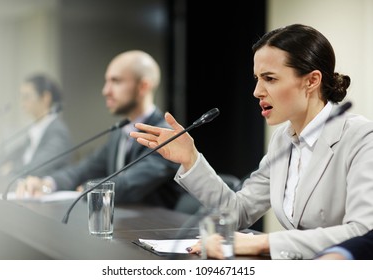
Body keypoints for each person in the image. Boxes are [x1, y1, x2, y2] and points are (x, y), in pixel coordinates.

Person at [130, 24, 373, 259]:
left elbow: (363, 231)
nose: (257, 91)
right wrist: (190, 158)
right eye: (257, 78)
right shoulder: (283, 140)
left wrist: (262, 243)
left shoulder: (361, 137)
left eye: (270, 78)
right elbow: (238, 212)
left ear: (311, 81)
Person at [16, 50, 182, 209]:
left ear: (144, 86)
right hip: (122, 228)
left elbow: (130, 184)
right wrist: (48, 183)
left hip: (157, 231)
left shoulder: (163, 135)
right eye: (106, 81)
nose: (105, 91)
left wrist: (90, 188)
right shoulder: (120, 132)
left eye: (116, 81)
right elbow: (84, 169)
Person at [0, 73, 72, 179]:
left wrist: (11, 169)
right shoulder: (34, 129)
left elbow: (38, 167)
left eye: (26, 97)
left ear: (45, 98)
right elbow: (16, 156)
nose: (22, 103)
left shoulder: (58, 131)